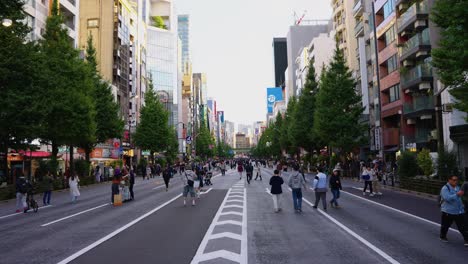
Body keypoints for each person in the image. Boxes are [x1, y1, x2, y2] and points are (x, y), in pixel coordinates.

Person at [439, 175, 468, 247]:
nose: (456, 181)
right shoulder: (445, 188)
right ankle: (443, 236)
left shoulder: (457, 187)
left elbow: (459, 199)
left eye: (456, 180)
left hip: (459, 211)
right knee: (445, 226)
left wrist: (462, 205)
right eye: (454, 180)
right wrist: (457, 194)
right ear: (449, 180)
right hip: (448, 212)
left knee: (463, 226)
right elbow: (447, 198)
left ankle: (466, 240)